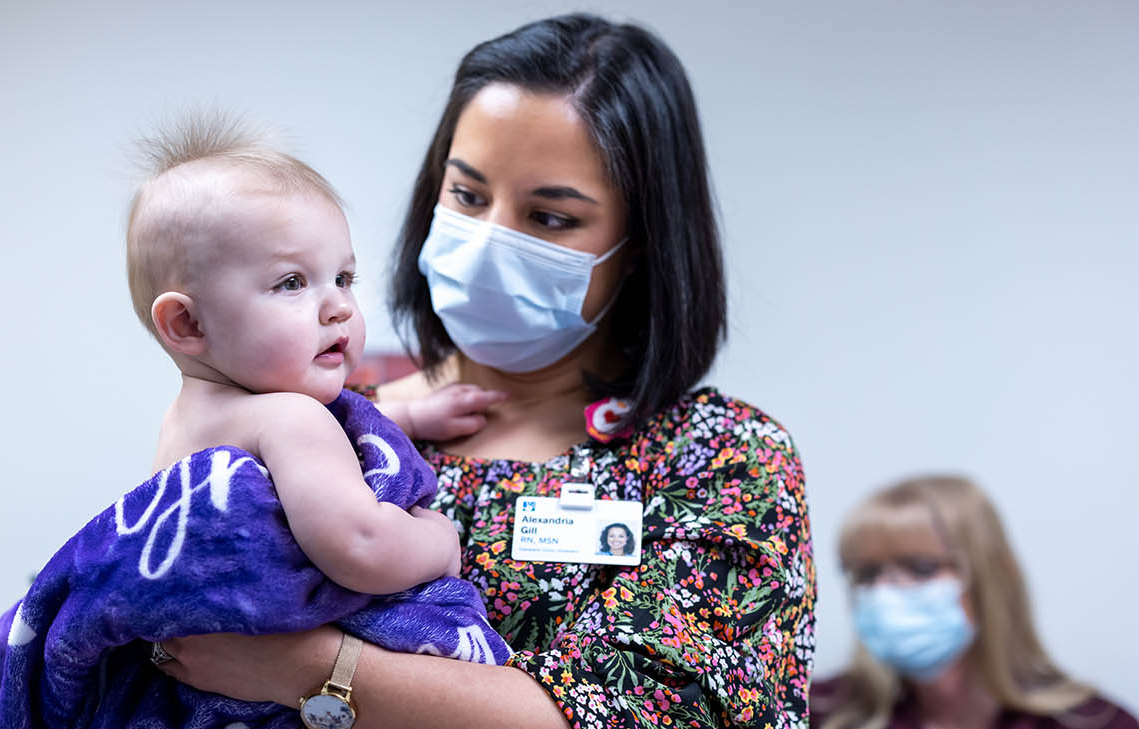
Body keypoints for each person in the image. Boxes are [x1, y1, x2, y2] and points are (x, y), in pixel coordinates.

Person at [156, 13, 815, 729]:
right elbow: (179, 614)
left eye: (550, 218)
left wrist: (306, 668)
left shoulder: (718, 457)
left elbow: (662, 710)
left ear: (640, 245)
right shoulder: (315, 414)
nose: (490, 241)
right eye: (468, 196)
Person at [125, 115, 507, 599]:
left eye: (344, 278)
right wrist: (439, 540)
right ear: (188, 324)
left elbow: (310, 450)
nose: (340, 307)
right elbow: (364, 547)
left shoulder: (184, 420)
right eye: (292, 282)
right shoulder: (292, 418)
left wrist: (410, 416)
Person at [812, 475, 1138, 729]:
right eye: (866, 574)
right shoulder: (816, 713)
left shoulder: (1094, 723)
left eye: (920, 567)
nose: (883, 593)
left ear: (989, 576)